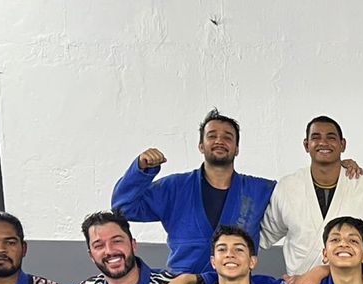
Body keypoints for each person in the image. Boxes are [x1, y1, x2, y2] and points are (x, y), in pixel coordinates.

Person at [111, 108, 276, 273]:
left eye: (227, 137)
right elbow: (123, 208)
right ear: (201, 146)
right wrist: (140, 171)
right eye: (212, 136)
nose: (219, 141)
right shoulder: (175, 188)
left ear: (237, 148)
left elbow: (290, 201)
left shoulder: (259, 191)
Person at [260, 115, 363, 275]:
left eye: (331, 137)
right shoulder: (287, 187)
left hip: (349, 283)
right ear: (306, 145)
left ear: (342, 144)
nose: (323, 143)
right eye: (316, 137)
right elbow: (266, 233)